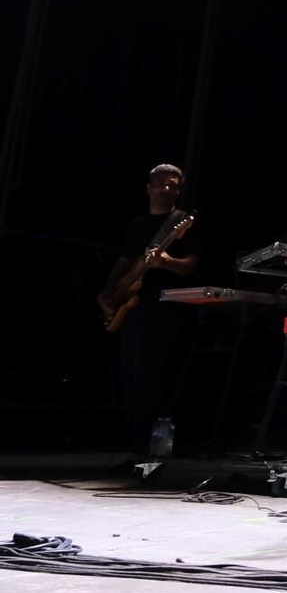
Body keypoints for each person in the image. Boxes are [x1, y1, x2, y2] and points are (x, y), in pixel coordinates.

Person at [97, 164, 200, 456]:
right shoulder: (138, 225)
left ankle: (153, 455)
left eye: (172, 185)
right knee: (129, 379)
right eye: (160, 183)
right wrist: (108, 292)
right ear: (149, 188)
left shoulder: (182, 223)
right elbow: (125, 261)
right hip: (133, 310)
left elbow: (192, 265)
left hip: (164, 310)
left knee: (154, 381)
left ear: (178, 191)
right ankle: (135, 451)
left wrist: (166, 262)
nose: (165, 189)